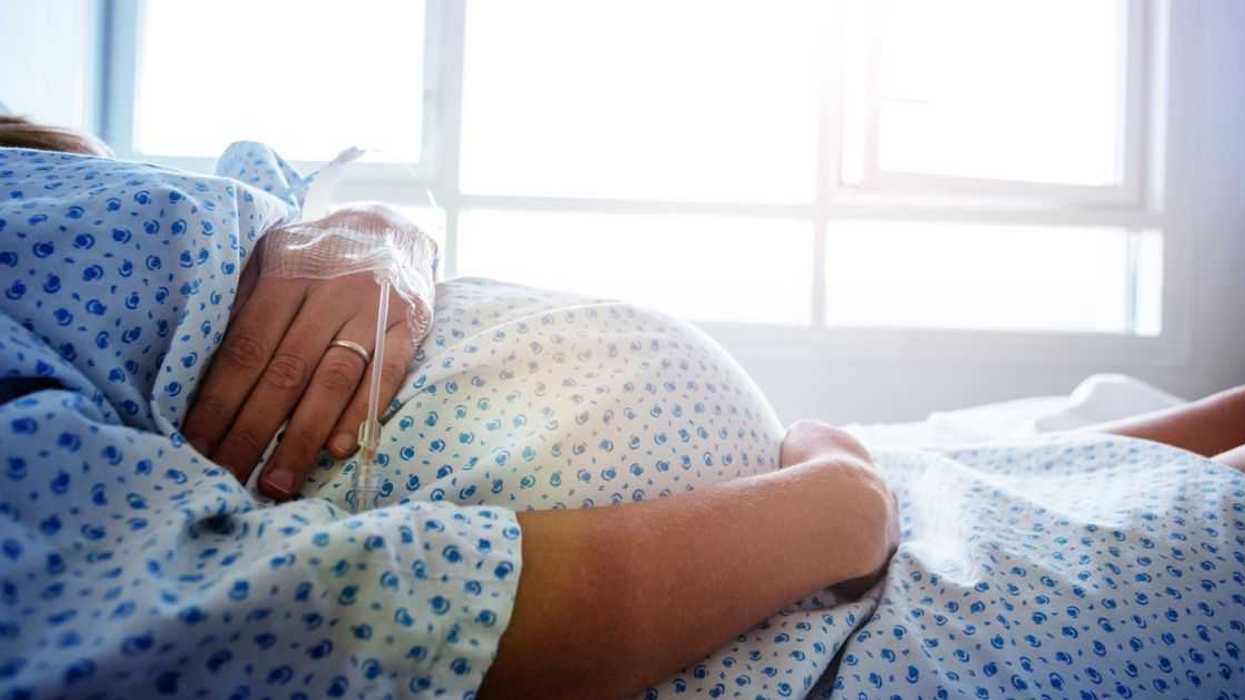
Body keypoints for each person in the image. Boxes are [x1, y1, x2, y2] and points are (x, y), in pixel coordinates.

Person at [1, 118, 1242, 699]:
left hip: (805, 519)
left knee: (981, 476)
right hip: (810, 609)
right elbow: (337, 624)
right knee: (1102, 527)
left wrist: (372, 232)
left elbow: (239, 210)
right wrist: (832, 511)